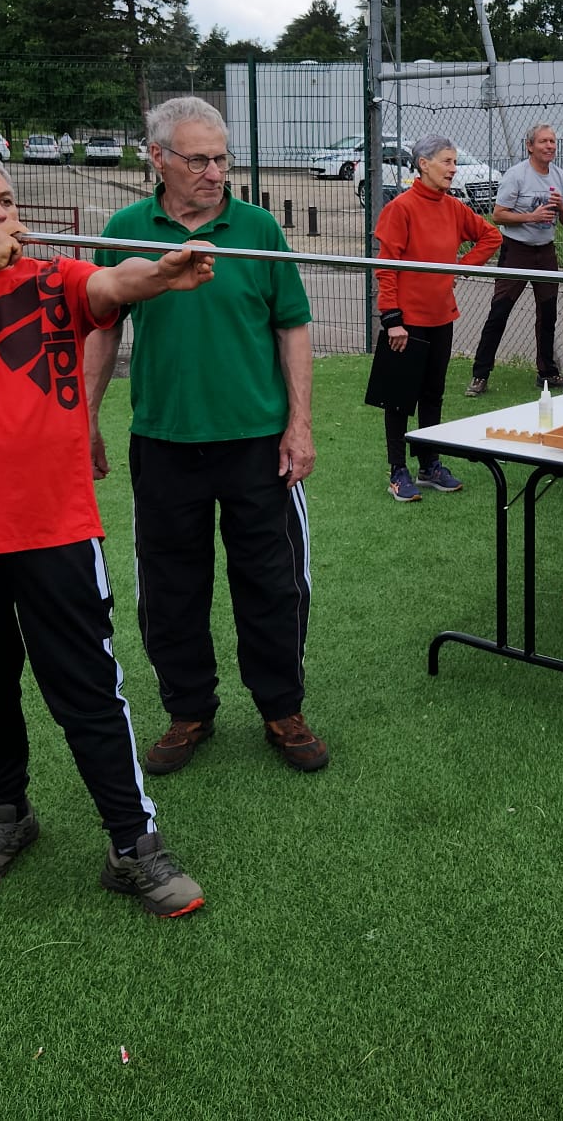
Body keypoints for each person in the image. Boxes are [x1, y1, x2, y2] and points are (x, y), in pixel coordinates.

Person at [0, 152, 216, 918]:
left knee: (88, 690)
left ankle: (133, 847)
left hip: (53, 528)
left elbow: (112, 284)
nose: (1, 214)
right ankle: (8, 814)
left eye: (6, 200)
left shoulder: (55, 278)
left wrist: (161, 273)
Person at [83, 98, 326, 777]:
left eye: (222, 158)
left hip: (258, 443)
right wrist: (86, 420)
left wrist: (299, 424)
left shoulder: (257, 229)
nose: (216, 172)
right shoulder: (127, 230)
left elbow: (292, 326)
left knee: (273, 584)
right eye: (199, 160)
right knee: (170, 586)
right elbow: (102, 328)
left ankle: (282, 709)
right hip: (163, 441)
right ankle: (188, 710)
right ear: (157, 157)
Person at [371, 133, 502, 502]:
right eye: (447, 161)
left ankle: (429, 464)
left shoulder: (454, 208)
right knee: (399, 398)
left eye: (454, 162)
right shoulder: (400, 208)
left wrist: (462, 267)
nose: (453, 168)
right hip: (406, 322)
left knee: (433, 393)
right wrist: (392, 319)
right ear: (423, 164)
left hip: (441, 317)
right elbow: (386, 267)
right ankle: (398, 471)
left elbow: (490, 237)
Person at [466, 122, 563, 395]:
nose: (549, 146)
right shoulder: (516, 175)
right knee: (500, 311)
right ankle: (480, 374)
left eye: (552, 141)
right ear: (530, 146)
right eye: (543, 141)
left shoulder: (559, 176)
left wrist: (561, 206)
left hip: (545, 252)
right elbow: (498, 215)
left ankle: (547, 373)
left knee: (548, 314)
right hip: (516, 251)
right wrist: (531, 217)